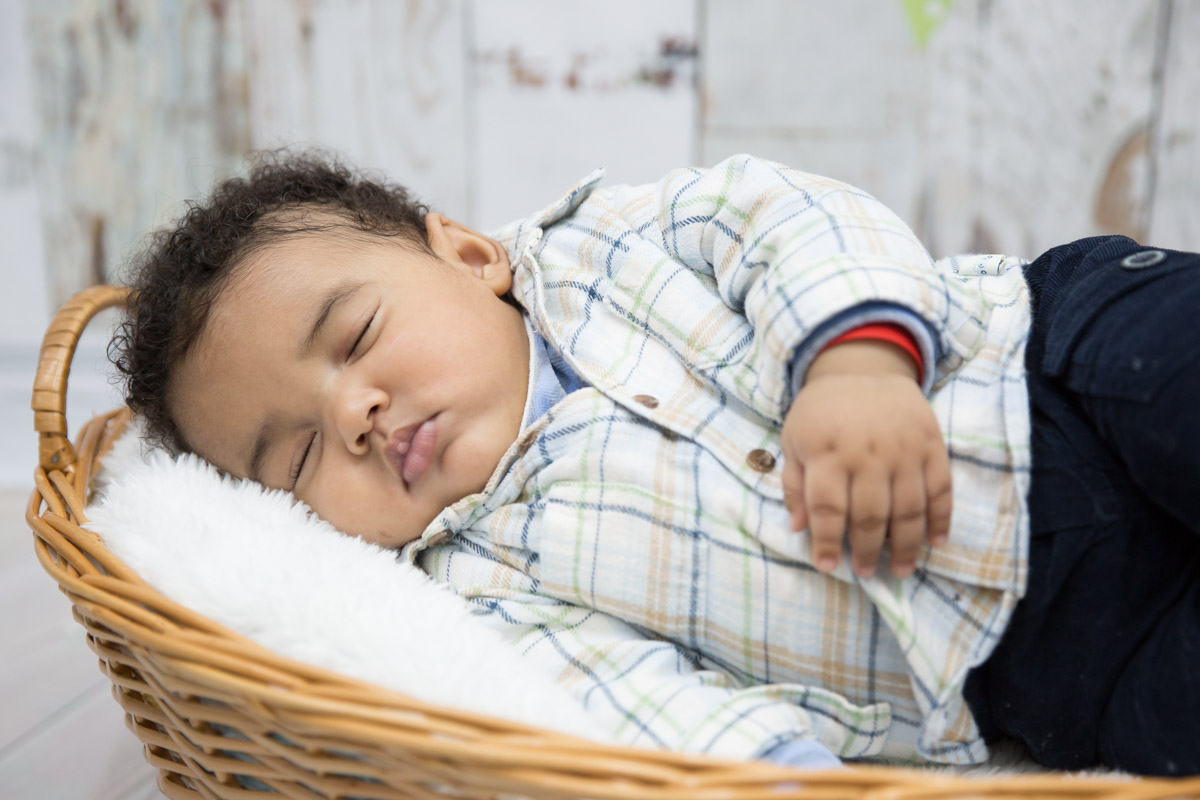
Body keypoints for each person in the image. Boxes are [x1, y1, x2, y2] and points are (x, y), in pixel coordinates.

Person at [109, 152, 1200, 776]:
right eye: (296, 454)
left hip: (1046, 365)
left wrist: (854, 364)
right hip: (1044, 661)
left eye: (354, 338)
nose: (354, 411)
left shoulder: (605, 245)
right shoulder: (479, 592)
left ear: (472, 255)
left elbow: (786, 221)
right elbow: (646, 714)